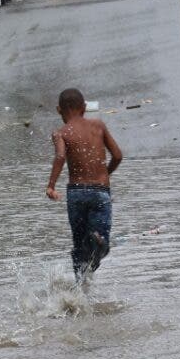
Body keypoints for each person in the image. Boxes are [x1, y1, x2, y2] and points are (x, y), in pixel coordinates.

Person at [46, 88, 124, 291]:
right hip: (100, 192)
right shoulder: (98, 126)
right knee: (100, 241)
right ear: (84, 107)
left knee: (79, 249)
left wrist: (51, 186)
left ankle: (80, 293)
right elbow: (117, 155)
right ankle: (98, 243)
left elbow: (60, 157)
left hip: (76, 194)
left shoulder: (61, 132)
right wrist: (105, 174)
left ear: (59, 110)